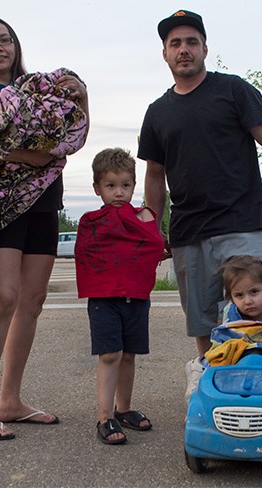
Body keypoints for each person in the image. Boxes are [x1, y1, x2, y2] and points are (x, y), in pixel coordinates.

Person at [0, 16, 89, 441]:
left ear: (15, 45)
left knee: (32, 301)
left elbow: (71, 133)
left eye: (4, 40)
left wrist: (83, 95)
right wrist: (28, 157)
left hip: (43, 203)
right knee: (3, 298)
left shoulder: (36, 90)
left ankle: (11, 401)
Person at [138, 10, 262, 366]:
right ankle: (211, 374)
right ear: (164, 53)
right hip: (187, 233)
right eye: (175, 43)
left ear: (205, 49)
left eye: (191, 42)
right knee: (201, 318)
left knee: (254, 307)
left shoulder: (234, 90)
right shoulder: (157, 112)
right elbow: (154, 174)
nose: (184, 50)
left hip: (240, 224)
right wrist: (152, 226)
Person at [74, 148, 165, 445]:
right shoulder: (91, 222)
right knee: (110, 354)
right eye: (110, 186)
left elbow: (153, 246)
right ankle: (104, 416)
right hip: (104, 299)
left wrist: (150, 230)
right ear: (97, 188)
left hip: (136, 297)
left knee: (129, 355)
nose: (118, 193)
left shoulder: (144, 217)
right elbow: (87, 256)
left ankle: (123, 409)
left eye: (125, 185)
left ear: (133, 187)